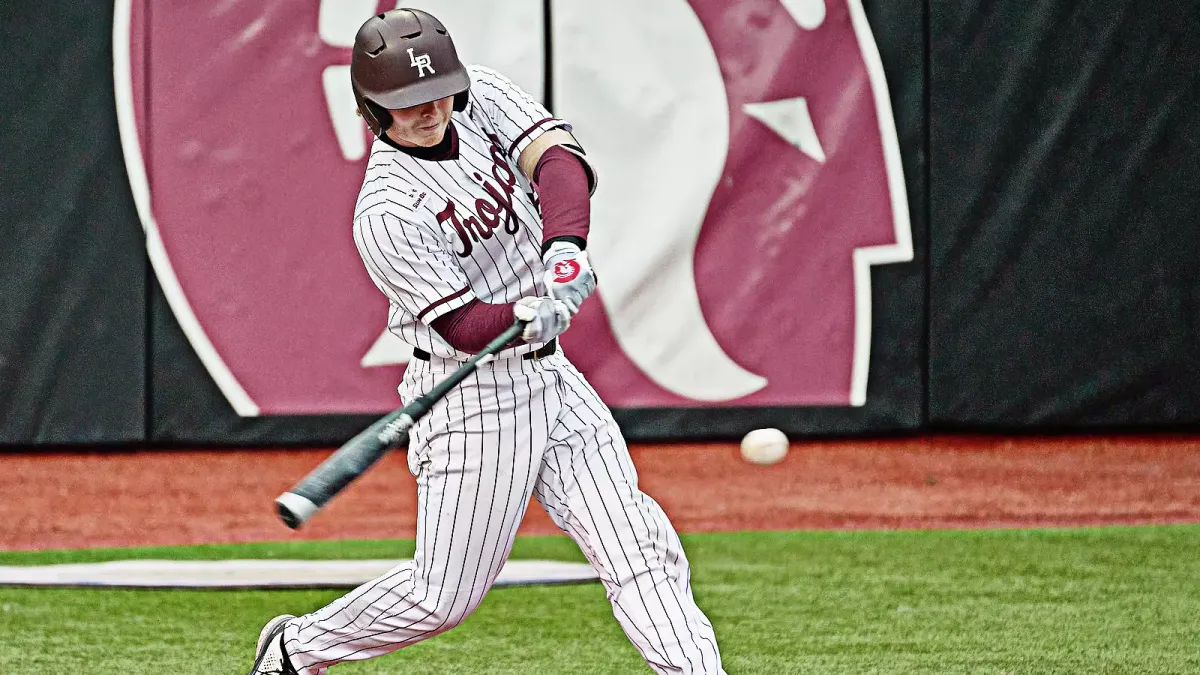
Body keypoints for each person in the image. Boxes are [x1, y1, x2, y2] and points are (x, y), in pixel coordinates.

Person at [247, 9, 726, 674]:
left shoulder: (481, 98)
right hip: (471, 399)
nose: (429, 109)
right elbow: (463, 324)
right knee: (439, 597)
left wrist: (563, 250)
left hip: (552, 379)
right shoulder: (387, 212)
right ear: (374, 110)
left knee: (638, 546)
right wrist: (523, 314)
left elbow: (558, 160)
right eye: (407, 103)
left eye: (436, 90)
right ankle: (298, 647)